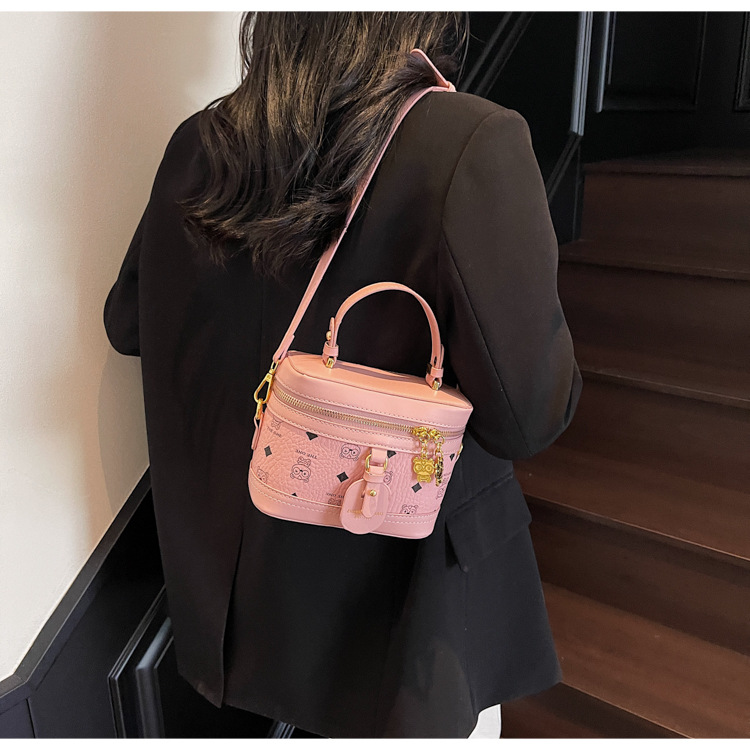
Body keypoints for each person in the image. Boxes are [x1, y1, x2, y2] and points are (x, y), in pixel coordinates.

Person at [103, 12, 582, 739]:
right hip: (403, 636)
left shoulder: (198, 141)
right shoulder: (469, 141)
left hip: (232, 609)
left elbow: (128, 323)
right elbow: (529, 416)